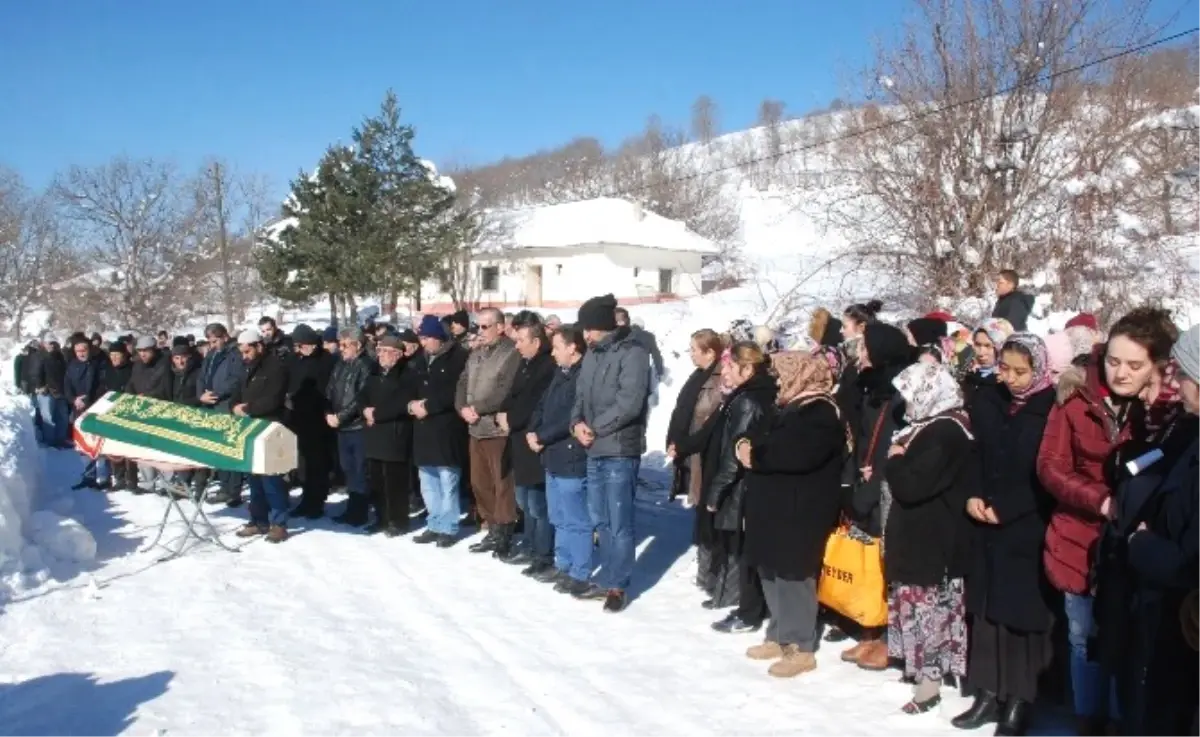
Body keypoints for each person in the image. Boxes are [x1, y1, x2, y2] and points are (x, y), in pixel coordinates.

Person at [1038, 307, 1178, 736]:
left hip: (1138, 546)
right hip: (1081, 537)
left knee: (1134, 641)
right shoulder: (1078, 396)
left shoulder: (1166, 411)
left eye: (1134, 365)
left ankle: (1121, 719)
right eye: (1113, 361)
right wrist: (1099, 500)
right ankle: (1088, 716)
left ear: (1157, 365)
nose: (1120, 373)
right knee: (1083, 636)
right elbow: (1051, 465)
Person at [957, 334, 1058, 736]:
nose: (1012, 379)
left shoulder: (1050, 409)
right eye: (1005, 369)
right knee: (986, 614)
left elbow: (1048, 473)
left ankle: (1018, 699)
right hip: (985, 522)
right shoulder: (990, 401)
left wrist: (1010, 508)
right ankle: (986, 691)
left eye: (1021, 371)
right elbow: (974, 454)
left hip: (1026, 526)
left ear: (1038, 369)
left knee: (1020, 618)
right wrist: (972, 495)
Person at [738, 351, 846, 677]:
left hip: (801, 508)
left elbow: (796, 454)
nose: (778, 380)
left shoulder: (821, 411)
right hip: (773, 504)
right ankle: (779, 632)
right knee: (770, 569)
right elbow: (754, 435)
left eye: (783, 373)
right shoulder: (786, 404)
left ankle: (800, 645)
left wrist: (756, 454)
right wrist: (745, 445)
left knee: (794, 574)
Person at [884, 361, 974, 714]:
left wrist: (894, 461)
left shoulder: (946, 432)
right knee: (916, 606)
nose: (906, 404)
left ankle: (929, 686)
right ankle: (918, 670)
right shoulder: (930, 426)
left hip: (933, 539)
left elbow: (911, 484)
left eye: (910, 395)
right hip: (920, 535)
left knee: (929, 612)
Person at [571, 294, 650, 613]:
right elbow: (579, 395)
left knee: (618, 519)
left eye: (588, 329)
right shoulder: (592, 355)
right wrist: (576, 422)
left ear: (602, 327)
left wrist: (595, 427)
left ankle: (618, 584)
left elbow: (629, 403)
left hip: (618, 448)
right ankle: (606, 576)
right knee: (599, 517)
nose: (584, 336)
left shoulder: (633, 353)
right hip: (593, 447)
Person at [698, 342, 776, 633]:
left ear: (747, 368)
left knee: (743, 549)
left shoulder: (747, 400)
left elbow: (735, 453)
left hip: (743, 488)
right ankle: (742, 602)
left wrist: (717, 490)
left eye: (730, 366)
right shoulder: (756, 393)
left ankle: (748, 610)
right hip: (750, 485)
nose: (725, 371)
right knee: (742, 548)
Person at [456, 307, 521, 555]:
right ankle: (491, 526)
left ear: (500, 327)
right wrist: (462, 407)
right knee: (479, 482)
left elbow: (504, 390)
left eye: (485, 326)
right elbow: (462, 382)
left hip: (495, 428)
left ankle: (504, 531)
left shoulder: (510, 353)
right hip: (475, 428)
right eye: (478, 326)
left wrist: (478, 407)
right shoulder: (476, 353)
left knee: (501, 482)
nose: (480, 332)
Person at [530, 325, 590, 592]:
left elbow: (571, 417)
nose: (552, 353)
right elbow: (543, 404)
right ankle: (563, 563)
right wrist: (533, 430)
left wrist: (542, 436)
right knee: (558, 516)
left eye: (556, 347)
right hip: (551, 456)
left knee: (576, 519)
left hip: (570, 455)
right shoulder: (560, 372)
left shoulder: (584, 375)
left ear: (572, 347)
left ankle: (580, 572)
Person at [498, 320, 556, 574]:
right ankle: (530, 545)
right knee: (524, 498)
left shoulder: (546, 366)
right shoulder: (525, 363)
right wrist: (503, 413)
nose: (517, 345)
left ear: (536, 341)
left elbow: (534, 402)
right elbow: (513, 394)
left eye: (521, 340)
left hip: (534, 439)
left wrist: (510, 419)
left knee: (538, 502)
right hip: (518, 439)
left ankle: (543, 552)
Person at [409, 315, 470, 547]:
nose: (423, 343)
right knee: (428, 480)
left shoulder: (458, 358)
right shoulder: (421, 360)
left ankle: (448, 525)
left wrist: (428, 406)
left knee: (448, 480)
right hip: (423, 429)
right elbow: (411, 386)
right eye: (421, 338)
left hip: (446, 428)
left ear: (438, 337)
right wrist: (412, 405)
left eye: (426, 338)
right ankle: (434, 522)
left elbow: (456, 391)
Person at [232, 329, 290, 543]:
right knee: (254, 478)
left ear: (259, 346)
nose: (244, 356)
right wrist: (234, 406)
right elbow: (236, 391)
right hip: (249, 428)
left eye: (248, 351)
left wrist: (248, 408)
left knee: (271, 478)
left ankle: (279, 523)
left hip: (269, 427)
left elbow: (274, 399)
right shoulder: (245, 367)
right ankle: (258, 520)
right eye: (242, 352)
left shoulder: (276, 367)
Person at [362, 335, 419, 536]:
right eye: (379, 351)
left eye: (385, 351)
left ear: (397, 354)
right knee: (376, 479)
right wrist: (365, 411)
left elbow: (401, 402)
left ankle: (398, 521)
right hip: (374, 432)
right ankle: (381, 518)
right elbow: (362, 394)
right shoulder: (374, 372)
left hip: (394, 432)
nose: (381, 355)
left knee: (395, 481)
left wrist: (376, 414)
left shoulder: (407, 374)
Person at [287, 325, 337, 519]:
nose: (299, 350)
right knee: (304, 464)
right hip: (298, 417)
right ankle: (306, 498)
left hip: (319, 419)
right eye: (297, 346)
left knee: (318, 464)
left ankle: (316, 501)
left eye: (302, 346)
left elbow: (329, 390)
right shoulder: (295, 360)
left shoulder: (327, 361)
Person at [327, 328, 374, 527]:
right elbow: (330, 390)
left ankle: (360, 511)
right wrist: (328, 412)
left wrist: (342, 416)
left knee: (359, 470)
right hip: (340, 426)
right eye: (340, 344)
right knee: (348, 470)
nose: (342, 348)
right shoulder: (340, 364)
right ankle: (351, 508)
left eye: (346, 345)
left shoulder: (366, 365)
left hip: (357, 426)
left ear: (358, 345)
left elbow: (359, 398)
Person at [197, 323, 245, 507]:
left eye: (215, 340)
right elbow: (201, 377)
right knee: (218, 448)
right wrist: (201, 394)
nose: (213, 344)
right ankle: (224, 486)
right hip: (210, 404)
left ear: (225, 337)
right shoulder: (211, 354)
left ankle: (233, 490)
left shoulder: (234, 354)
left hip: (225, 404)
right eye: (210, 341)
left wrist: (215, 393)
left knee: (229, 448)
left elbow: (235, 380)